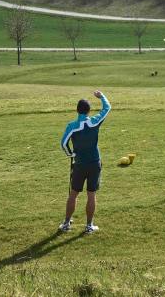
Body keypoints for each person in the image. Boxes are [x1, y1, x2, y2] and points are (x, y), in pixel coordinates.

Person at [60, 90, 111, 234]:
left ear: (77, 110)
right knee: (91, 194)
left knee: (74, 193)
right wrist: (101, 96)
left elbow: (63, 143)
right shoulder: (94, 121)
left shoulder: (72, 126)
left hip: (79, 164)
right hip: (94, 163)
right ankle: (89, 226)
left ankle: (66, 224)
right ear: (88, 111)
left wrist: (71, 154)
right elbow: (107, 108)